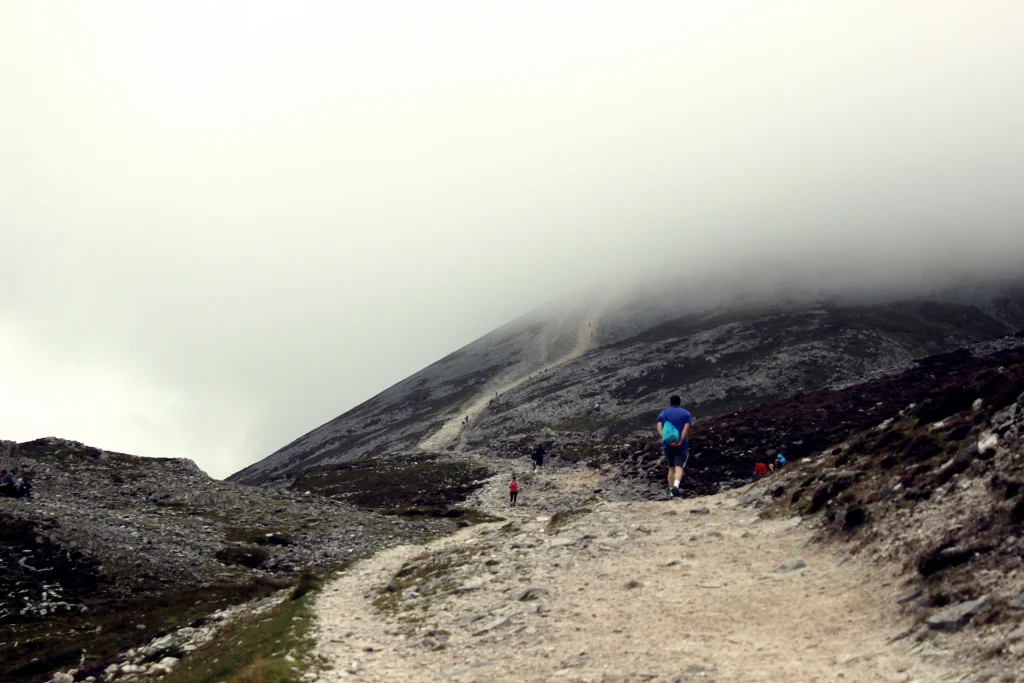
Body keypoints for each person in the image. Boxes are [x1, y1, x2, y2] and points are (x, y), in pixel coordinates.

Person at [656, 395, 693, 498]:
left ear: (670, 403)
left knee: (671, 468)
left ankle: (672, 491)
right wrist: (681, 440)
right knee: (679, 466)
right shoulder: (686, 414)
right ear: (680, 403)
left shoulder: (663, 413)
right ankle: (676, 485)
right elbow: (686, 428)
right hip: (682, 445)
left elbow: (659, 428)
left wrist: (666, 439)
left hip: (668, 446)